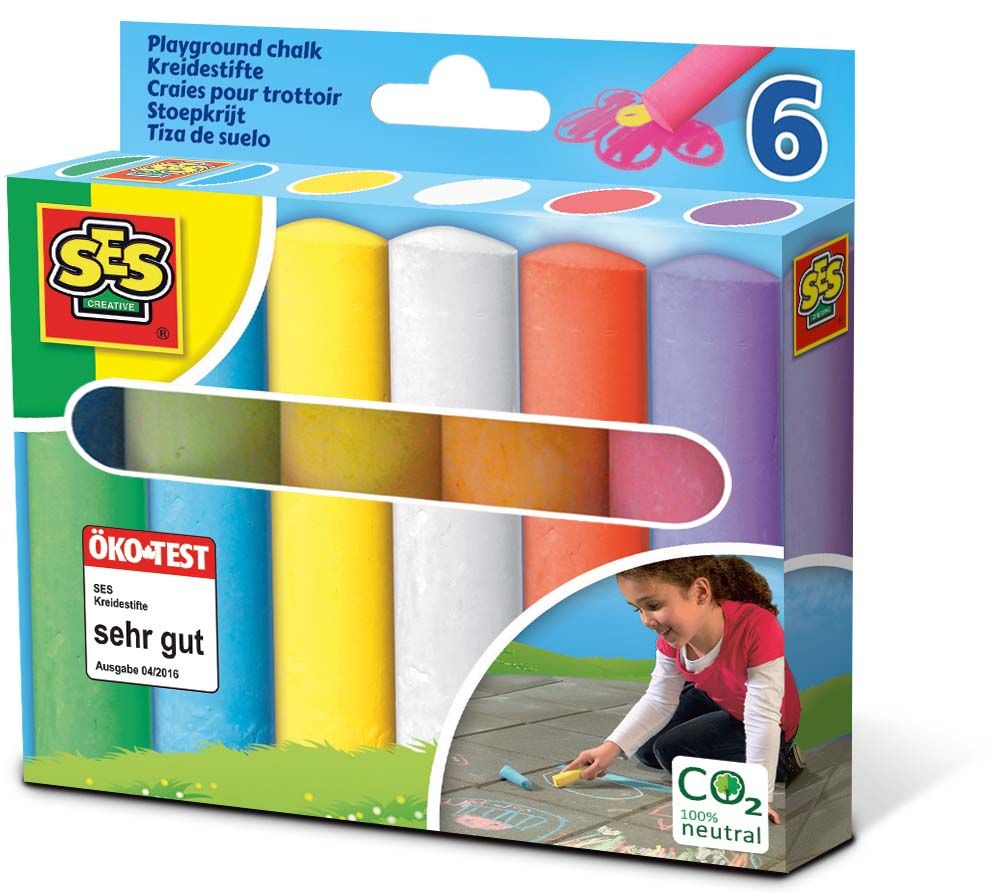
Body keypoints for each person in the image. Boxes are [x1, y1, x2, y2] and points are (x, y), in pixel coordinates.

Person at [564, 556, 803, 824]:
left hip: (772, 720)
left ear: (700, 592)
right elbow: (659, 700)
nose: (646, 620)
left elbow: (761, 717)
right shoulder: (672, 638)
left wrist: (757, 796)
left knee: (670, 751)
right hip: (721, 696)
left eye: (653, 606)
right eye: (637, 609)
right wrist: (609, 748)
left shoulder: (757, 626)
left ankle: (784, 761)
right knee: (644, 747)